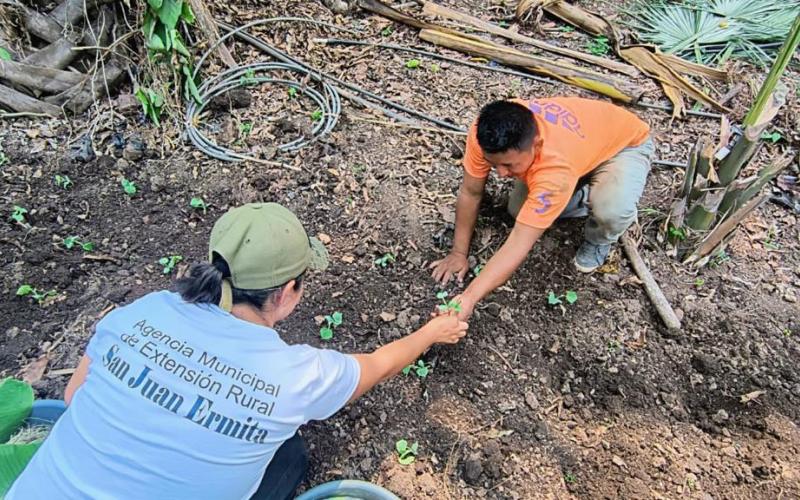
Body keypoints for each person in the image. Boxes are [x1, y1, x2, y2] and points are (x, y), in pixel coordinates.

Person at [9, 203, 468, 500]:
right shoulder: (291, 378)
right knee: (289, 455)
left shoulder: (143, 312)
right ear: (287, 292)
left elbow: (74, 397)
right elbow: (376, 366)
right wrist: (432, 332)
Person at [430, 97, 654, 319]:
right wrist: (458, 253)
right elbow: (470, 192)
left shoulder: (554, 172)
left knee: (611, 210)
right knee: (518, 210)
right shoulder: (484, 133)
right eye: (493, 164)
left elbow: (519, 242)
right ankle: (585, 190)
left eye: (508, 165)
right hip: (579, 149)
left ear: (536, 145)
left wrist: (469, 298)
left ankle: (604, 228)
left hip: (624, 147)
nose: (501, 174)